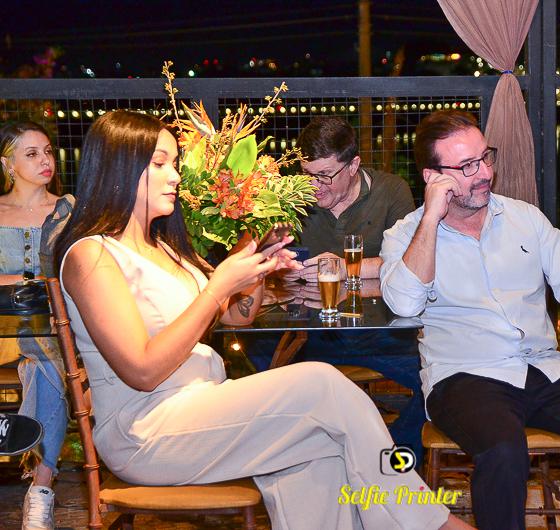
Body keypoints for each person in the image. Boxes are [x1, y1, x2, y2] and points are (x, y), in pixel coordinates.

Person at [54, 110, 472, 530]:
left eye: (176, 163)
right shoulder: (92, 255)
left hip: (203, 408)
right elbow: (142, 371)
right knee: (321, 383)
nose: (175, 176)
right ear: (119, 168)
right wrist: (218, 286)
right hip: (146, 431)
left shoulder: (164, 248)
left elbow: (237, 317)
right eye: (160, 163)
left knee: (323, 448)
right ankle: (431, 522)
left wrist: (256, 264)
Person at [380, 109, 560, 530]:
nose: (484, 173)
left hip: (544, 370)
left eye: (486, 157)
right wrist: (430, 218)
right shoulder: (406, 235)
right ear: (432, 177)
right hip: (464, 377)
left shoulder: (525, 219)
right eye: (466, 166)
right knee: (503, 451)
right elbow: (405, 305)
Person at [250, 116, 425, 460]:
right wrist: (279, 268)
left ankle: (386, 460)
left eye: (325, 175)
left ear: (353, 165)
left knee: (434, 379)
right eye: (307, 174)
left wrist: (345, 268)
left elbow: (409, 265)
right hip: (309, 335)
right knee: (252, 353)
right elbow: (263, 261)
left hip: (379, 335)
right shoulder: (290, 198)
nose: (315, 187)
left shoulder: (391, 191)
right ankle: (306, 458)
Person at [0, 122, 72, 530]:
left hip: (56, 329)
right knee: (46, 356)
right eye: (31, 154)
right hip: (4, 330)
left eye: (47, 151)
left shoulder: (69, 210)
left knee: (46, 362)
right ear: (7, 164)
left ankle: (40, 489)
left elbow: (81, 272)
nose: (45, 160)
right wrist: (34, 280)